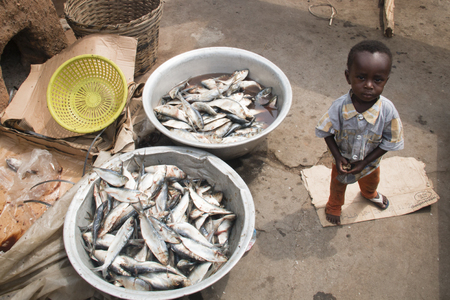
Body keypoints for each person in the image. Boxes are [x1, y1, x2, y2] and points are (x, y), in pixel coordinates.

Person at [315, 40, 404, 225]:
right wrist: (338, 157)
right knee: (338, 186)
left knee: (371, 181)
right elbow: (326, 131)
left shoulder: (387, 111)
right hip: (343, 163)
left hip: (370, 162)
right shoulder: (339, 107)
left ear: (386, 80)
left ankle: (369, 193)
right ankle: (334, 205)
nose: (369, 85)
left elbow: (391, 140)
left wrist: (365, 162)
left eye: (377, 80)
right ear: (348, 77)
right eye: (361, 78)